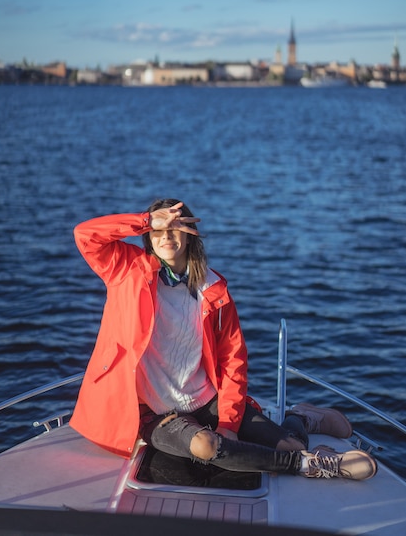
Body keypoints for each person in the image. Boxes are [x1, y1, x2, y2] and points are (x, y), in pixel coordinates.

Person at [70, 199, 377, 481]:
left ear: (191, 235)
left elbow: (233, 359)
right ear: (148, 235)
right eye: (158, 230)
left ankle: (301, 418)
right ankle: (310, 466)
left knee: (290, 443)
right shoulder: (126, 270)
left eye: (175, 228)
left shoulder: (213, 291)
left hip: (207, 401)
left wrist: (228, 424)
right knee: (206, 446)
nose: (166, 236)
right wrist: (146, 219)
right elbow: (86, 235)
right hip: (156, 412)